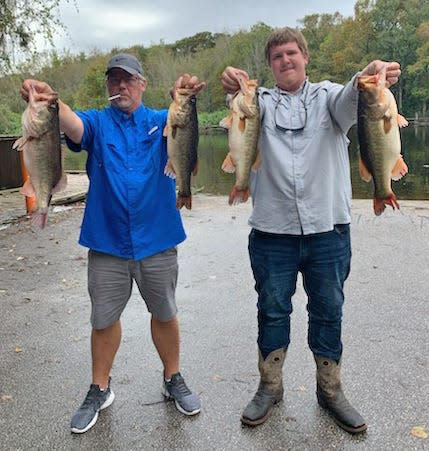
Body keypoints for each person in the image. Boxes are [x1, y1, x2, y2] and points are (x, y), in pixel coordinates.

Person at [221, 27, 401, 434]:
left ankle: (330, 389)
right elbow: (238, 109)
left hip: (328, 230)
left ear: (305, 58)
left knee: (329, 310)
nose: (285, 60)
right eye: (277, 56)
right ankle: (270, 385)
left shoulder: (330, 98)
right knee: (271, 310)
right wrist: (231, 83)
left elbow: (354, 96)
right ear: (270, 66)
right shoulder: (259, 102)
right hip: (271, 230)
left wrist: (367, 75)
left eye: (292, 53)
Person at [21, 53, 206, 434]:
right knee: (104, 320)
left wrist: (181, 97)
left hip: (157, 239)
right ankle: (99, 388)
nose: (119, 86)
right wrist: (48, 100)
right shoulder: (98, 123)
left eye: (127, 80)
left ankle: (173, 378)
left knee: (165, 312)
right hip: (107, 241)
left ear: (142, 84)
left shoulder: (160, 122)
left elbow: (181, 123)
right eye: (113, 80)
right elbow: (69, 123)